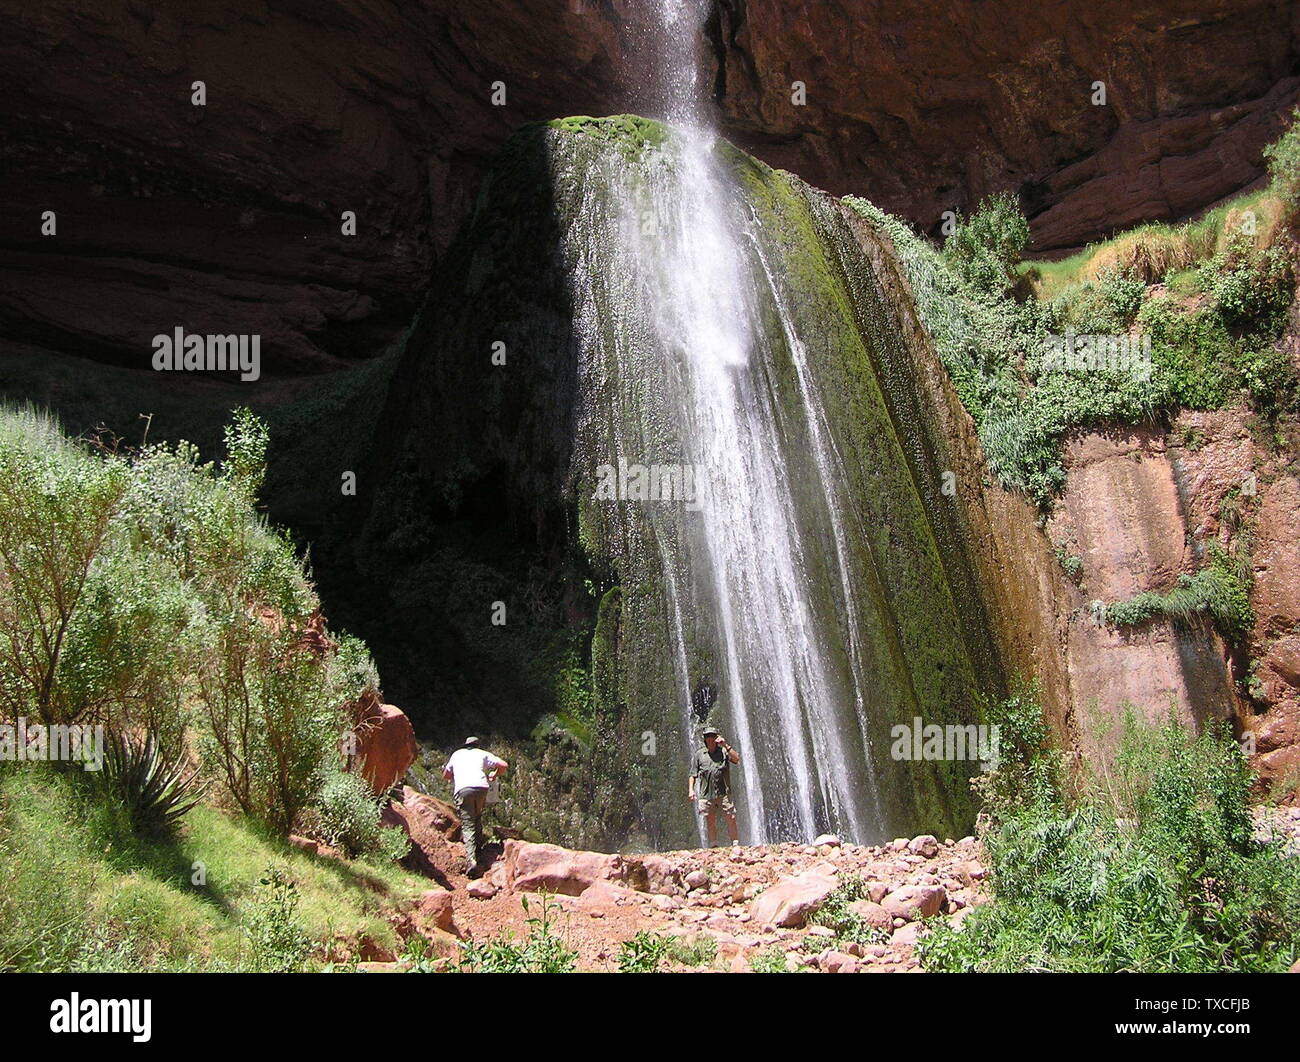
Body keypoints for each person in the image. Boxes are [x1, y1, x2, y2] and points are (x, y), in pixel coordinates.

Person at [442, 736, 508, 876]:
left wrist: (456, 776)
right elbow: (503, 765)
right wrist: (493, 776)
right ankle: (479, 850)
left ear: (465, 746)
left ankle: (471, 860)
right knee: (477, 817)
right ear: (477, 745)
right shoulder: (482, 753)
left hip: (464, 790)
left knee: (468, 824)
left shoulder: (457, 754)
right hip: (481, 788)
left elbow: (446, 775)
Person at [688, 726, 740, 847]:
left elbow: (736, 759)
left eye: (713, 736)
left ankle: (735, 843)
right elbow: (692, 774)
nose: (710, 738)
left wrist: (725, 745)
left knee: (731, 817)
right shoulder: (699, 755)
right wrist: (691, 790)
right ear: (705, 739)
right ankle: (714, 845)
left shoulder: (724, 751)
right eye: (707, 736)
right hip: (706, 794)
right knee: (710, 820)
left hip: (723, 792)